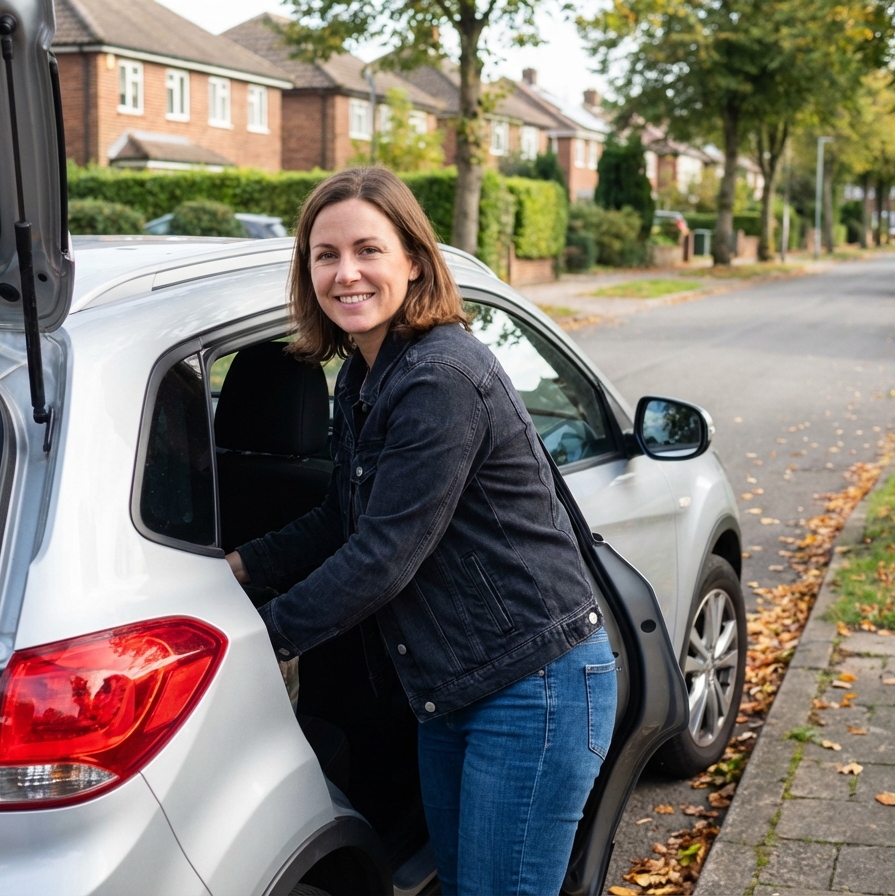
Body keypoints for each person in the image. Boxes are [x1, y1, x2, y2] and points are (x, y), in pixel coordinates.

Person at [225, 167, 616, 896]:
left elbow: (382, 558)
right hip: (451, 688)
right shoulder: (364, 375)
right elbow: (345, 518)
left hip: (534, 685)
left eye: (368, 250)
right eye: (325, 255)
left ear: (413, 259)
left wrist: (264, 639)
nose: (346, 274)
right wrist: (236, 568)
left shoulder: (441, 378)